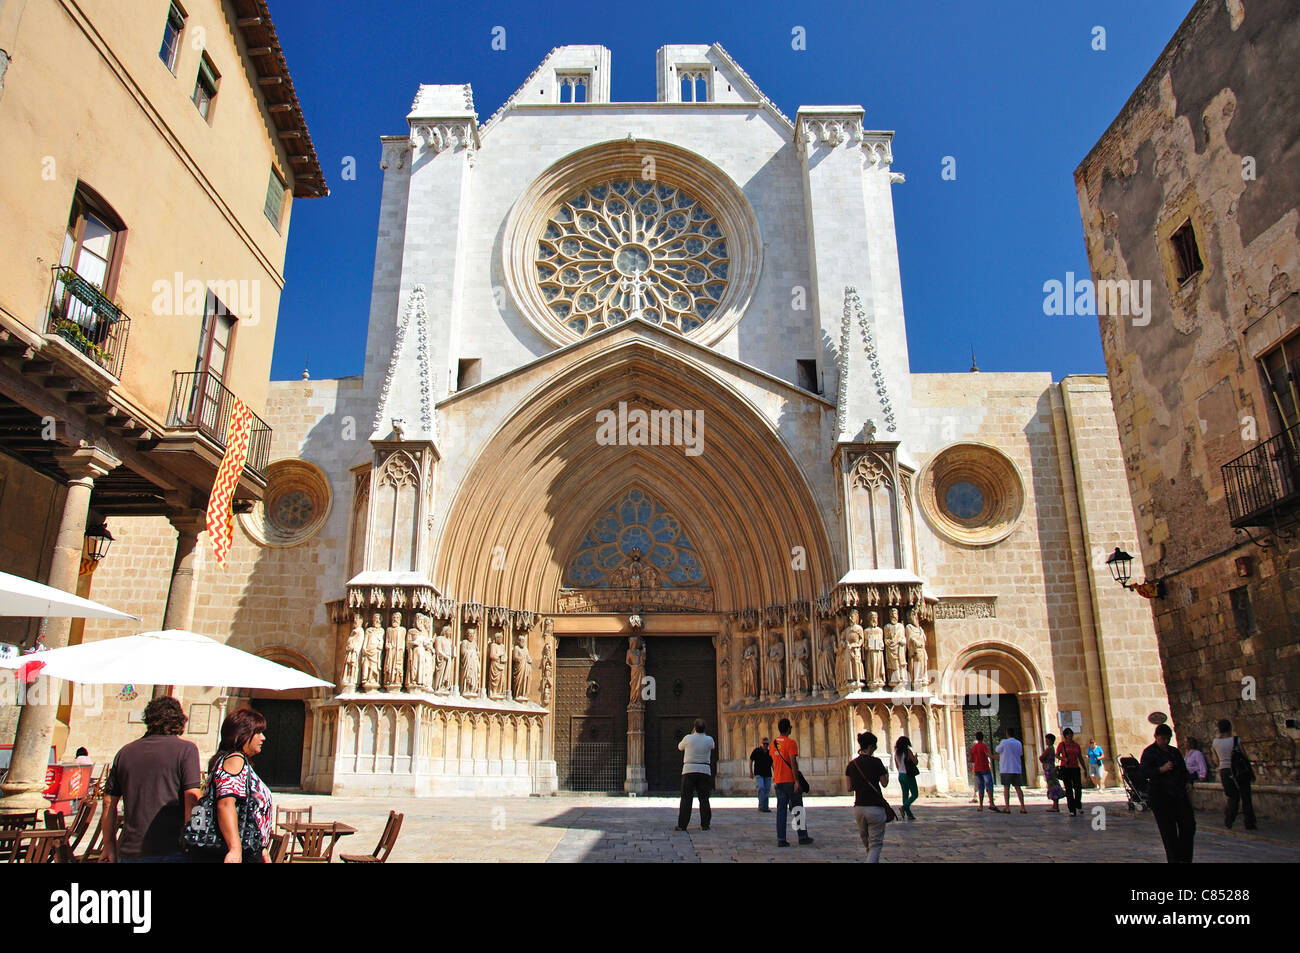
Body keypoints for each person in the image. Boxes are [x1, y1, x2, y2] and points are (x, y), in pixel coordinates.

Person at [101, 696, 201, 863]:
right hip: (172, 849)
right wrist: (194, 841)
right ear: (179, 721)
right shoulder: (186, 750)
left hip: (131, 850)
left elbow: (108, 802)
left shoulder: (125, 752)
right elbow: (192, 798)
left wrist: (109, 845)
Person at [190, 707, 274, 863]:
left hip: (246, 849)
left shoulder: (236, 761)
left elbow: (248, 811)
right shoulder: (235, 760)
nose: (263, 738)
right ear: (242, 734)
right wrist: (235, 848)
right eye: (258, 732)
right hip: (229, 852)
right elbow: (226, 803)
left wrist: (260, 846)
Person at [1140, 723, 1195, 863]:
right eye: (1162, 738)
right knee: (1168, 831)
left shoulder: (1174, 752)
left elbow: (1184, 770)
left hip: (1178, 794)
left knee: (1189, 825)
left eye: (1167, 739)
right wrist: (1160, 770)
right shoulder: (1149, 753)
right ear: (1156, 737)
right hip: (1160, 795)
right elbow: (1144, 772)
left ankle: (1185, 857)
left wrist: (1188, 782)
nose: (1165, 742)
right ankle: (1174, 859)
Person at [846, 731, 890, 862]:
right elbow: (884, 783)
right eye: (874, 747)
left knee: (868, 845)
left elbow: (849, 788)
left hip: (859, 808)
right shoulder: (877, 762)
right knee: (875, 845)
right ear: (870, 746)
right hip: (875, 807)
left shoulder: (852, 765)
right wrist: (885, 773)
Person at [771, 717, 813, 847]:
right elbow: (793, 762)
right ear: (788, 728)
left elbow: (773, 762)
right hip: (789, 780)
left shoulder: (774, 744)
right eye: (790, 727)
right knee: (797, 808)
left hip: (779, 781)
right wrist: (796, 781)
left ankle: (781, 839)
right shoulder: (791, 743)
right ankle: (802, 836)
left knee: (781, 810)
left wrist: (776, 776)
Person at [1212, 719, 1256, 830]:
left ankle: (1229, 820)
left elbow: (1216, 759)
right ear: (1230, 728)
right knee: (1246, 796)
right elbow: (1244, 756)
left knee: (1232, 797)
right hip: (1238, 770)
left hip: (1224, 770)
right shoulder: (1235, 740)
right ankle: (1249, 822)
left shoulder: (1215, 743)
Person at [675, 718, 715, 832]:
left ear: (694, 728)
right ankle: (705, 824)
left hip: (689, 770)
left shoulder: (688, 738)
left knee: (686, 799)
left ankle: (682, 825)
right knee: (704, 799)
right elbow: (712, 746)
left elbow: (680, 747)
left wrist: (692, 734)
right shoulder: (709, 739)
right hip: (704, 771)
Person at [993, 727, 1026, 814]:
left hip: (1006, 768)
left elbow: (997, 750)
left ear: (1007, 733)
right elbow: (1020, 753)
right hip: (1016, 768)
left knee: (1006, 788)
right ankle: (1022, 807)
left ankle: (1007, 807)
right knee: (1018, 788)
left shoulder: (1004, 742)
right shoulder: (1018, 743)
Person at [1056, 727, 1086, 816]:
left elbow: (1080, 757)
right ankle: (1072, 809)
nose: (1070, 736)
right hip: (1066, 768)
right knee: (1069, 789)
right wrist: (1063, 759)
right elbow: (1057, 755)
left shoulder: (1076, 745)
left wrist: (1084, 768)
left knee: (1078, 788)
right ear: (1065, 736)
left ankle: (1078, 804)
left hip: (1075, 768)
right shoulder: (1062, 745)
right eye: (1068, 734)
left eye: (1071, 734)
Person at [893, 736, 919, 821]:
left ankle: (909, 814)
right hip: (908, 775)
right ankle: (903, 808)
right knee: (915, 794)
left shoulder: (896, 753)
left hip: (900, 775)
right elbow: (915, 762)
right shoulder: (907, 751)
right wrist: (916, 758)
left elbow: (897, 766)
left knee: (905, 795)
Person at [970, 731, 994, 811]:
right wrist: (996, 758)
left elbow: (971, 759)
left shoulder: (974, 747)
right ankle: (991, 803)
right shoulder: (983, 746)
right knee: (989, 786)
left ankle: (980, 805)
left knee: (980, 787)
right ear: (982, 738)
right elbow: (988, 755)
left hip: (977, 769)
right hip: (985, 768)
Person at [749, 736, 773, 812]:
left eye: (767, 744)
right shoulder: (756, 751)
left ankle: (765, 807)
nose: (765, 745)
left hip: (768, 774)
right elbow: (751, 760)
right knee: (761, 788)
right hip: (759, 773)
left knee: (767, 790)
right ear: (762, 744)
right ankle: (761, 806)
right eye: (764, 744)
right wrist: (751, 771)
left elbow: (773, 764)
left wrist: (776, 773)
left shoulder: (770, 752)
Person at [1041, 733, 1063, 813]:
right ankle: (1055, 805)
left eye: (1047, 740)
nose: (1046, 741)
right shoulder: (1052, 748)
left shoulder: (1049, 749)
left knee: (1052, 786)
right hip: (1051, 769)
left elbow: (1041, 757)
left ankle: (1055, 805)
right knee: (1052, 785)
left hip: (1049, 770)